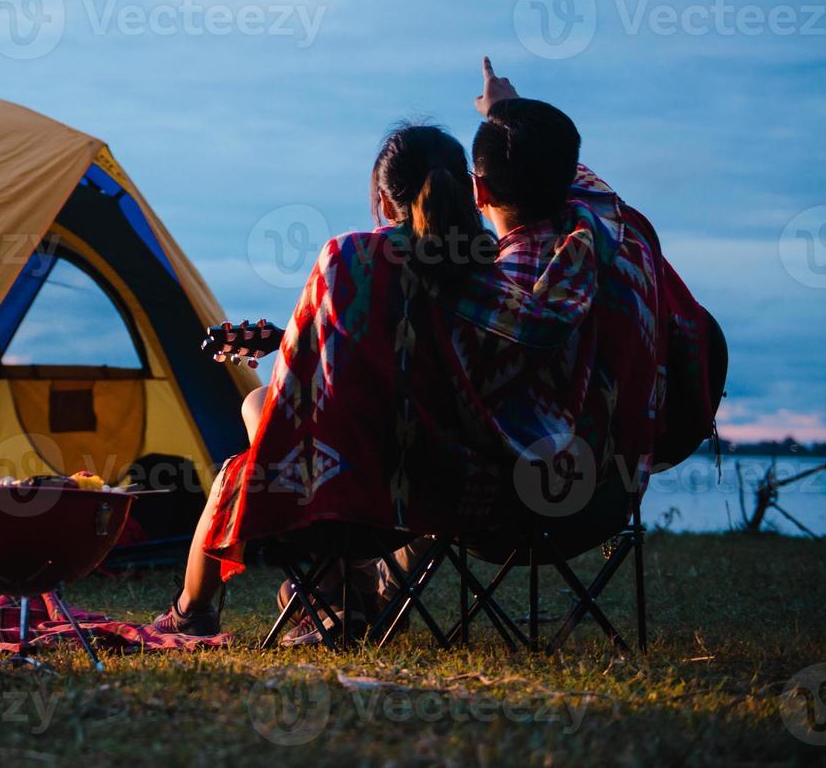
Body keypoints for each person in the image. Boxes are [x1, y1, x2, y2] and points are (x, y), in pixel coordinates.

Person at [156, 58, 718, 641]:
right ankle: (336, 598)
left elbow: (313, 400)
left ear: (477, 192)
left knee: (257, 423)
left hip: (429, 497)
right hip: (591, 494)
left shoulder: (362, 264)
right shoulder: (596, 247)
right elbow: (586, 194)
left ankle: (283, 601)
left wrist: (304, 336)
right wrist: (506, 116)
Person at [152, 120, 494, 636]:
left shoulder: (349, 256)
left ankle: (195, 611)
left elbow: (298, 392)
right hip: (457, 488)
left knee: (248, 436)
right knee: (285, 418)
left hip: (351, 502)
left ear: (382, 198)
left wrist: (287, 346)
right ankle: (346, 593)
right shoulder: (490, 265)